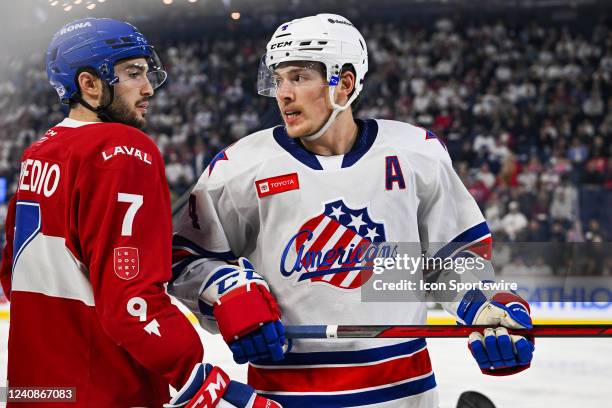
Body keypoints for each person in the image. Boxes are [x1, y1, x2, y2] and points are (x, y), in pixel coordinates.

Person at [171, 13, 534, 407]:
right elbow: (183, 257)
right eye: (279, 79)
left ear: (344, 84)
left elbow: (452, 258)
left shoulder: (417, 153)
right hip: (286, 394)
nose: (283, 93)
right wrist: (225, 291)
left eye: (299, 77)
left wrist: (483, 303)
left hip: (405, 392)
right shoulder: (238, 168)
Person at [0, 18, 279, 408]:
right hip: (106, 391)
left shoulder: (39, 153)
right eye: (133, 73)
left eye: (148, 73)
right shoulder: (122, 148)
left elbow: (12, 278)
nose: (148, 88)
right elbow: (131, 302)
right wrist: (196, 376)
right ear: (89, 84)